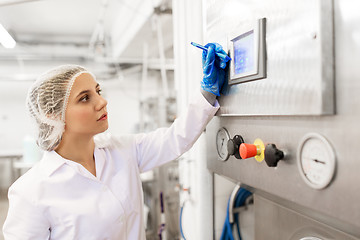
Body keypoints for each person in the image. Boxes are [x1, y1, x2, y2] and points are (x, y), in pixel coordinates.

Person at [2, 43, 229, 239]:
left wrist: (207, 92)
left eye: (98, 91)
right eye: (85, 98)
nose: (102, 101)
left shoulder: (122, 150)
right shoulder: (30, 192)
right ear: (53, 115)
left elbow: (175, 139)